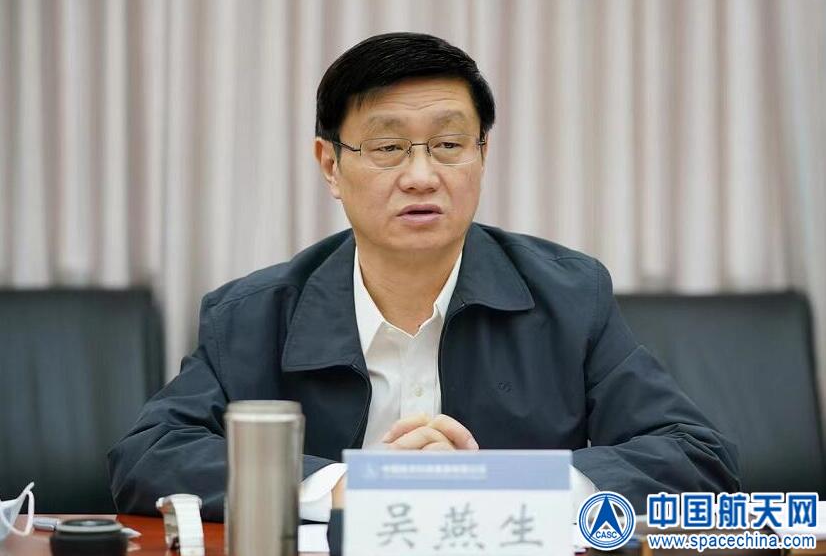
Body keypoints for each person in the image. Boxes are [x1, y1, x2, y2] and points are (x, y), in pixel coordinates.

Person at [108, 32, 740, 522]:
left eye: (448, 145)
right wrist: (347, 486)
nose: (420, 176)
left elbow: (696, 457)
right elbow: (150, 454)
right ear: (330, 165)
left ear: (482, 155)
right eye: (388, 148)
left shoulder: (570, 298)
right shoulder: (253, 314)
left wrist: (502, 486)